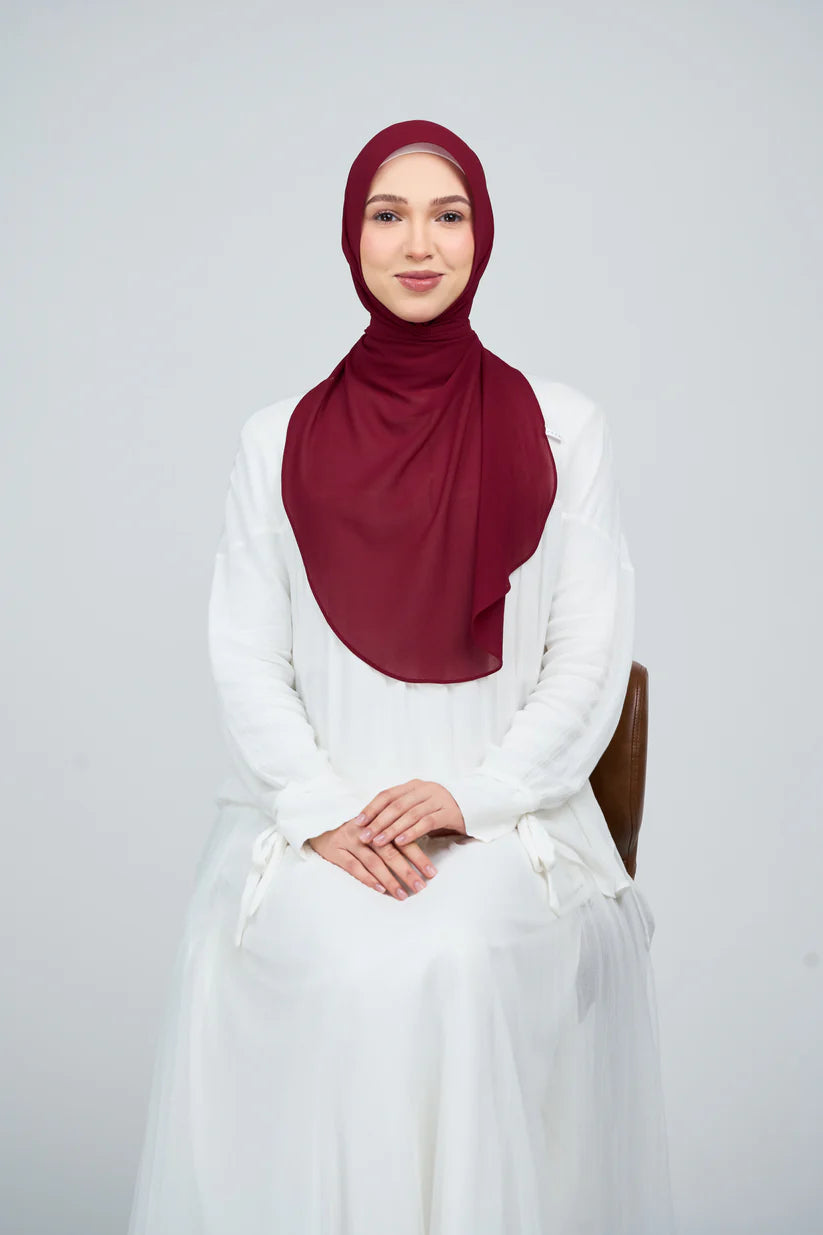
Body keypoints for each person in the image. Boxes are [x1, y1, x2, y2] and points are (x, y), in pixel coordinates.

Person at [127, 119, 676, 1235]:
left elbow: (585, 658)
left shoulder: (565, 430)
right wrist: (322, 810)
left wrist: (473, 795)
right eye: (388, 215)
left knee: (448, 962)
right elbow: (246, 653)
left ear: (482, 235)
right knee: (338, 967)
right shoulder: (274, 438)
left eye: (447, 214)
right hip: (315, 822)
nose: (418, 244)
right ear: (352, 237)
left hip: (510, 823)